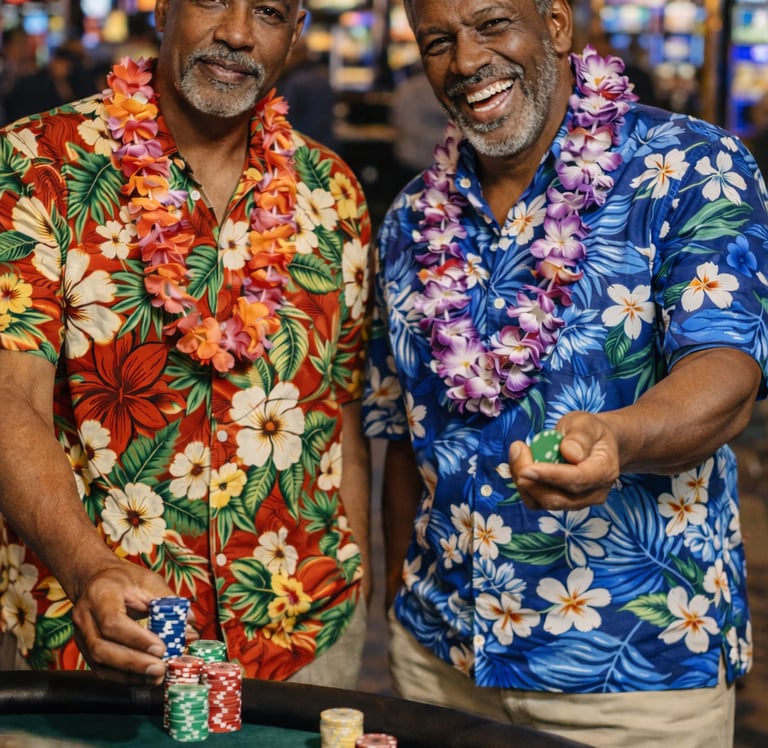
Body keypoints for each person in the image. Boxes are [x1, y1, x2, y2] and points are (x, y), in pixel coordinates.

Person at [362, 1, 768, 746]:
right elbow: (400, 433)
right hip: (438, 664)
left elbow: (727, 369)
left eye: (491, 25)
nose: (465, 61)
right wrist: (399, 616)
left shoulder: (689, 166)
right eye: (438, 42)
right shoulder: (411, 219)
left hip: (633, 677)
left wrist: (620, 436)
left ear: (554, 24)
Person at [0, 0, 373, 690]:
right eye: (211, 0)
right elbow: (7, 399)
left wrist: (358, 588)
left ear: (295, 33)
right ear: (164, 8)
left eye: (266, 11)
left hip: (305, 637)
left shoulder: (335, 193)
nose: (235, 33)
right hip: (102, 641)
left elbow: (341, 409)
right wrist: (91, 568)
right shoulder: (37, 163)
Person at [390, 61, 449, 183]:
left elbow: (399, 122)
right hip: (442, 161)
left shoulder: (406, 88)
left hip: (412, 159)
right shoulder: (447, 89)